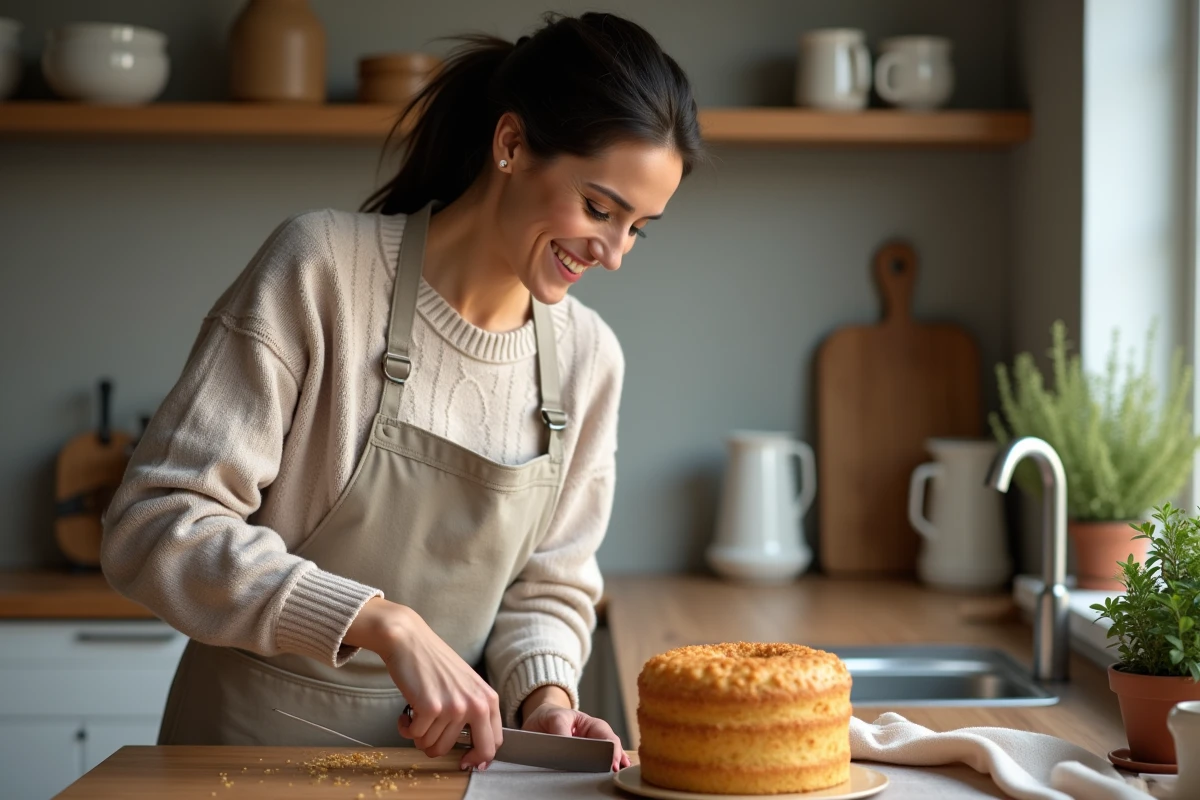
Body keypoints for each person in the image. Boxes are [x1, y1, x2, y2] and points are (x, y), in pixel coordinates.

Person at [101, 11, 703, 773]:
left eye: (638, 229)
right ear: (511, 145)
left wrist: (544, 699)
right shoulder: (322, 271)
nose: (613, 255)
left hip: (444, 772)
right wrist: (379, 620)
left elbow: (549, 588)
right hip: (245, 762)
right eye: (599, 209)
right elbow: (155, 524)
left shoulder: (588, 358)